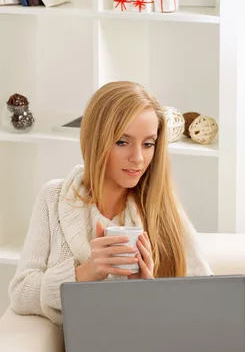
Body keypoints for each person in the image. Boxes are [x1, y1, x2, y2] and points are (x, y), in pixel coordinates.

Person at [9, 81, 211, 325]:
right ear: (96, 140)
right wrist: (85, 273)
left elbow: (206, 297)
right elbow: (20, 293)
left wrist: (148, 290)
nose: (137, 158)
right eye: (122, 142)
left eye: (148, 144)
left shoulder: (164, 207)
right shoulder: (53, 198)